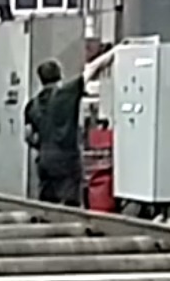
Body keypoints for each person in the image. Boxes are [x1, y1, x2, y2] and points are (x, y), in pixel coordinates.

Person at [25, 52, 113, 207]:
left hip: (45, 160)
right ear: (60, 76)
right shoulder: (66, 93)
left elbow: (28, 136)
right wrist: (115, 52)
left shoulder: (32, 104)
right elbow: (92, 68)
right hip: (67, 159)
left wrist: (43, 145)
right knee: (70, 206)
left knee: (47, 205)